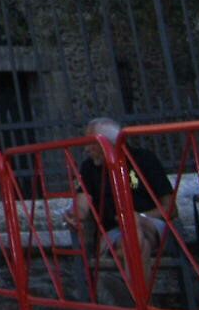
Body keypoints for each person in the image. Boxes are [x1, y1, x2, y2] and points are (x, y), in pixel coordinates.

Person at [72, 116, 175, 299]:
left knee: (134, 228)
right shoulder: (89, 168)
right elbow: (82, 204)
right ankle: (144, 305)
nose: (87, 149)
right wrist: (73, 213)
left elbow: (170, 209)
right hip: (115, 233)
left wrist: (137, 217)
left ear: (110, 143)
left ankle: (135, 300)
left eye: (92, 143)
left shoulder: (143, 159)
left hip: (150, 224)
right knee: (135, 242)